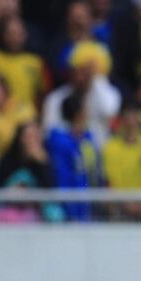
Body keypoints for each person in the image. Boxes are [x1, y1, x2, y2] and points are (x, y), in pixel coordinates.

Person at [45, 93, 101, 221]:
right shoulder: (58, 141)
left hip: (88, 205)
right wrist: (67, 209)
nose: (88, 113)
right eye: (85, 109)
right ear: (78, 114)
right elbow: (61, 178)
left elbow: (92, 171)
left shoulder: (88, 139)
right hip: (67, 208)